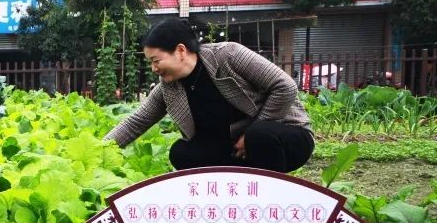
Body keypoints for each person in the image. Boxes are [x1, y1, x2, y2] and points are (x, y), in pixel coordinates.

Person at [103, 18, 314, 173]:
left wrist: (249, 133)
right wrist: (100, 150)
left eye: (156, 60)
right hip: (235, 151)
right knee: (182, 152)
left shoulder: (228, 55)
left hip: (284, 137)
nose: (153, 68)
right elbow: (136, 122)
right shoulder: (169, 87)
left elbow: (284, 86)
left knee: (259, 136)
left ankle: (271, 202)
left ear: (180, 50)